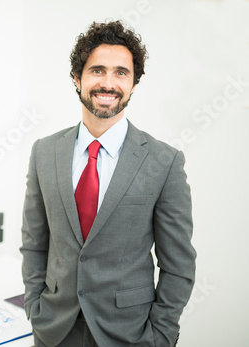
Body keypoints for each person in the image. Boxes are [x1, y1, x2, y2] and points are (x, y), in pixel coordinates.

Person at [20, 21, 196, 347]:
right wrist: (34, 306)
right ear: (78, 78)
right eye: (97, 70)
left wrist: (160, 335)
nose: (108, 83)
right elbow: (34, 242)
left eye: (121, 73)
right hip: (54, 329)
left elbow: (179, 264)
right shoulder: (43, 152)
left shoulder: (164, 161)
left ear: (133, 83)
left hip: (129, 334)